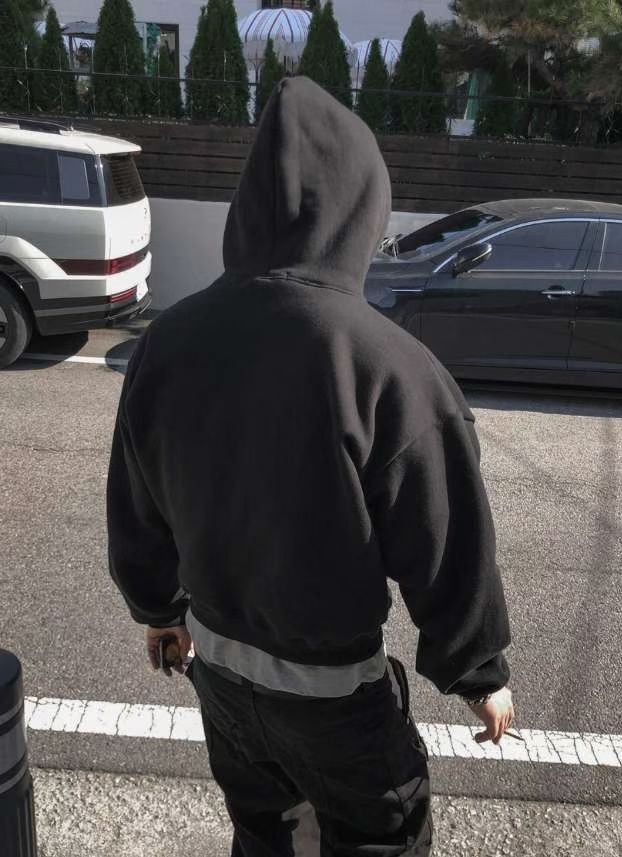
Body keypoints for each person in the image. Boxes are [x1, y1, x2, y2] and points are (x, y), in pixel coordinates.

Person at [107, 77, 513, 857]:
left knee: (265, 831)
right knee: (379, 836)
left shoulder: (167, 341)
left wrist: (158, 609)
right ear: (361, 209)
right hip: (333, 696)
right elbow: (445, 539)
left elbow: (137, 500)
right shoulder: (390, 366)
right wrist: (478, 673)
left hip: (218, 671)